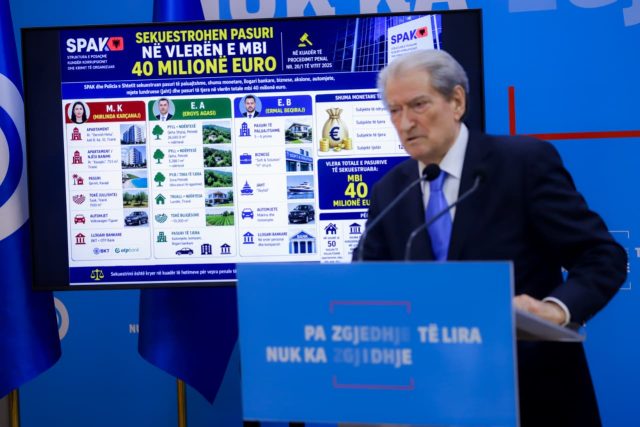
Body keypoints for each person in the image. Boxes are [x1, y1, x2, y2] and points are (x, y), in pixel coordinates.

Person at [357, 49, 626, 427]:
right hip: (432, 399)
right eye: (395, 110)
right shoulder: (390, 191)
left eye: (418, 105)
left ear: (456, 101)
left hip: (529, 393)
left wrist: (555, 310)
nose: (405, 123)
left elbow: (601, 256)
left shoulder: (523, 164)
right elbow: (365, 283)